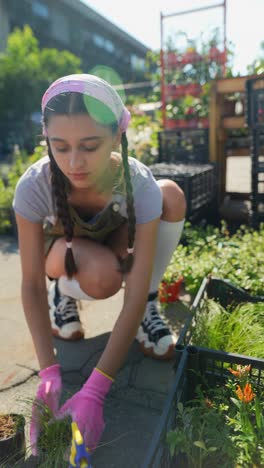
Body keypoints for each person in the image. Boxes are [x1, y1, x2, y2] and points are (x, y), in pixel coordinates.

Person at [12, 74, 186, 456]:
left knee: (169, 193)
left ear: (117, 138)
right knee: (103, 276)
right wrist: (49, 373)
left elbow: (135, 289)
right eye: (59, 147)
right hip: (67, 257)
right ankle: (66, 298)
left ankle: (148, 313)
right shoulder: (35, 185)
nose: (74, 162)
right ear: (46, 139)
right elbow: (29, 283)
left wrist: (97, 387)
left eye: (90, 146)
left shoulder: (135, 181)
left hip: (112, 251)